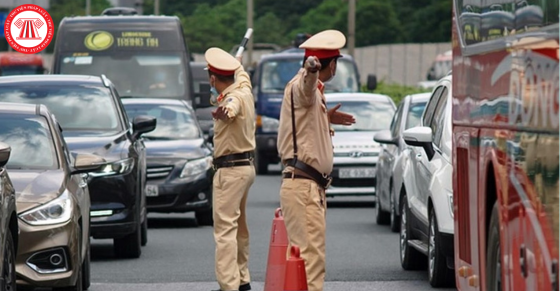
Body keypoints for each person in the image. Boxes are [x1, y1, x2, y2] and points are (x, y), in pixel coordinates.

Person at [277, 29, 356, 291]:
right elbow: (305, 88)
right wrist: (311, 69)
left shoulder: (314, 95)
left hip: (308, 186)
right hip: (304, 187)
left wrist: (326, 118)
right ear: (332, 65)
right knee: (311, 260)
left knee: (305, 258)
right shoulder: (303, 85)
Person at [205, 47, 256, 291]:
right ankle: (242, 279)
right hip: (246, 168)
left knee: (225, 230)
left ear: (213, 79)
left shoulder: (232, 97)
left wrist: (225, 111)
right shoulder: (244, 88)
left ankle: (228, 286)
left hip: (230, 170)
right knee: (239, 228)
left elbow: (230, 107)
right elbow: (243, 76)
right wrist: (237, 64)